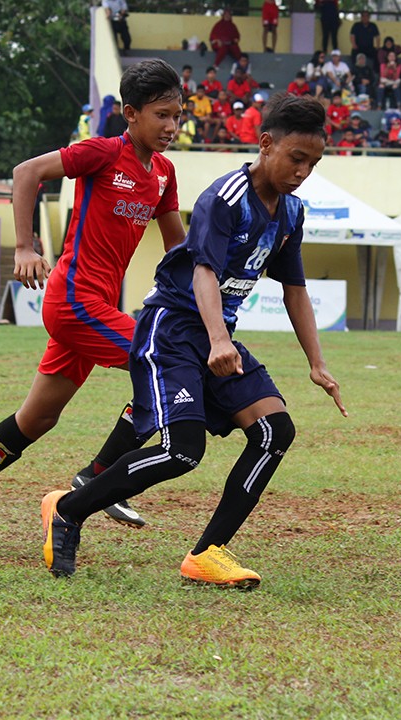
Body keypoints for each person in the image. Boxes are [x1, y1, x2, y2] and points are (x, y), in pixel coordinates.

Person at [40, 93, 347, 586]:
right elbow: (203, 270)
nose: (303, 171)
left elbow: (295, 289)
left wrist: (317, 362)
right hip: (174, 329)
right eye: (296, 158)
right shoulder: (224, 198)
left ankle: (207, 553)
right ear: (266, 144)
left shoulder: (291, 214)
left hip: (214, 334)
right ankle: (70, 510)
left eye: (313, 162)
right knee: (182, 451)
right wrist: (218, 341)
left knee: (275, 431)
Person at [0, 59, 187, 549]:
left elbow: (178, 248)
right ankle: (97, 478)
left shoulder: (164, 174)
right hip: (72, 300)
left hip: (98, 307)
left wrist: (209, 287)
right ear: (130, 114)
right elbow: (27, 173)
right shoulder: (103, 153)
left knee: (37, 418)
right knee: (164, 364)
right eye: (162, 115)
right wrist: (25, 247)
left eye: (177, 115)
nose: (172, 126)